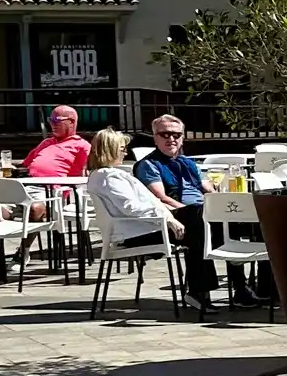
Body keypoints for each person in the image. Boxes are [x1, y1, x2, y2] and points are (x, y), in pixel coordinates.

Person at [134, 112, 217, 306]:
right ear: (155, 137)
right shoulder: (149, 164)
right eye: (165, 134)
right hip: (173, 217)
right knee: (202, 226)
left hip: (202, 212)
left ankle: (251, 289)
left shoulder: (189, 163)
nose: (171, 138)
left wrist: (217, 199)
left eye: (176, 135)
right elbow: (160, 198)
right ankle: (199, 291)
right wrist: (195, 210)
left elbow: (208, 188)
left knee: (247, 222)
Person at [86, 129, 185, 259]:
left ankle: (200, 278)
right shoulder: (109, 177)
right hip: (143, 232)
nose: (125, 153)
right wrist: (168, 219)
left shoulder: (99, 175)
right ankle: (202, 278)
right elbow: (131, 207)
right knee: (204, 225)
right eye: (122, 149)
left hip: (142, 228)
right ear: (110, 150)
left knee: (200, 218)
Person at [23, 105, 90, 179]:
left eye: (56, 120)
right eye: (50, 120)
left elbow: (91, 170)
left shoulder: (81, 145)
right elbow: (25, 165)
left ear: (71, 122)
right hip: (30, 185)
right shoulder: (46, 142)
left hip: (57, 188)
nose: (52, 124)